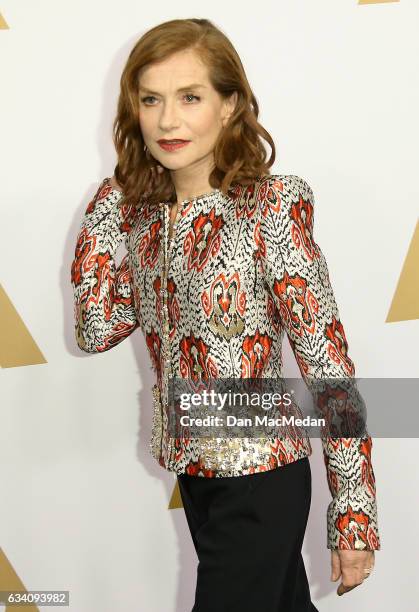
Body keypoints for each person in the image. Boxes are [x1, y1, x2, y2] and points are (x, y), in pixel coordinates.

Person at [70, 18, 380, 612]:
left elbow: (329, 367)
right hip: (195, 472)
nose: (167, 120)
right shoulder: (137, 216)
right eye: (151, 99)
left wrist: (354, 516)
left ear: (231, 104)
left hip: (262, 477)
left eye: (191, 98)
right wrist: (108, 208)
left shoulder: (271, 209)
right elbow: (96, 329)